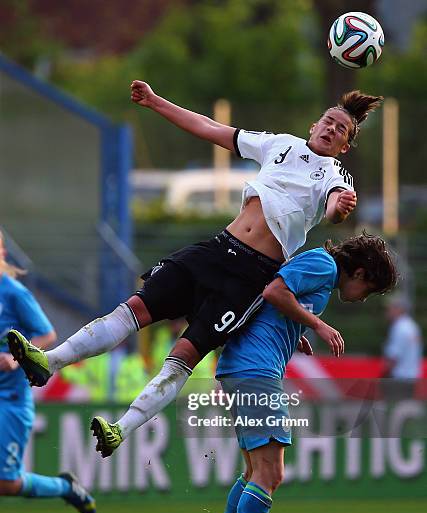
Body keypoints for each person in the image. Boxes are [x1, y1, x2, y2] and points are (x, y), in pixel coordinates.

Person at [8, 84, 383, 458]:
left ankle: (119, 430)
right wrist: (156, 102)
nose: (332, 129)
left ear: (344, 147)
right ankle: (49, 362)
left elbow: (335, 205)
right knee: (134, 310)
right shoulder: (280, 145)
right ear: (314, 124)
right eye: (329, 121)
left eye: (341, 131)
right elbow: (210, 128)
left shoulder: (334, 172)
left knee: (183, 355)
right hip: (216, 250)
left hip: (250, 277)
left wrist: (340, 207)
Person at [197, 232, 397, 513]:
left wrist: (294, 329)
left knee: (255, 470)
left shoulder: (320, 268)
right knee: (270, 474)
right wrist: (316, 323)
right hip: (255, 370)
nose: (363, 298)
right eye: (369, 289)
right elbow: (274, 291)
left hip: (244, 367)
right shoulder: (323, 264)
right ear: (361, 272)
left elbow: (273, 299)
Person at [0, 230, 96, 513]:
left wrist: (16, 358)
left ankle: (65, 487)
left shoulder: (14, 293)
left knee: (6, 483)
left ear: (2, 253)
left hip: (10, 400)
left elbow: (47, 334)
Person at [383, 294, 423, 379]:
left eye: (389, 308)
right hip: (412, 376)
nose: (387, 312)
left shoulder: (399, 327)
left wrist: (384, 375)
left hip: (399, 377)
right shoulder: (412, 326)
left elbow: (393, 357)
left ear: (399, 309)